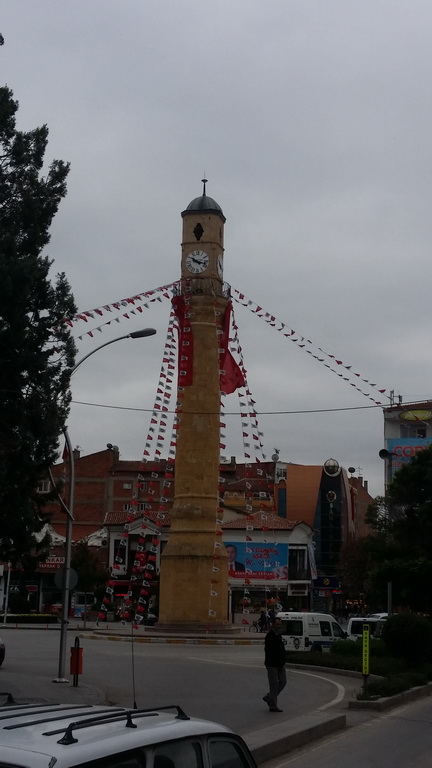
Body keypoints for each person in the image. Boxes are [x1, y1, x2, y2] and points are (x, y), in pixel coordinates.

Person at [263, 616, 286, 712]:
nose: (279, 626)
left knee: (283, 681)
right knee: (273, 685)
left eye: (280, 624)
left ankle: (269, 697)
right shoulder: (270, 636)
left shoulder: (278, 635)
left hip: (280, 664)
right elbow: (268, 651)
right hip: (272, 664)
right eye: (277, 624)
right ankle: (273, 705)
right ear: (272, 624)